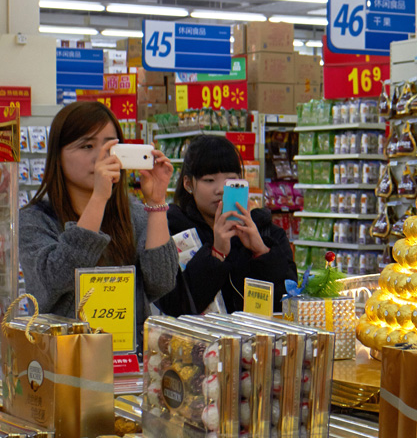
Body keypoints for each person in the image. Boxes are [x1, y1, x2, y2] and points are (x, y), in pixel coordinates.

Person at [19, 102, 178, 323]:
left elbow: (162, 282)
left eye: (109, 147)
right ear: (58, 154)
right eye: (87, 146)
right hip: (64, 351)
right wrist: (99, 198)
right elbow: (56, 278)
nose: (101, 157)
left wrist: (157, 201)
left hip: (128, 353)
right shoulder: (35, 219)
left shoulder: (133, 213)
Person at [156, 135, 296, 315]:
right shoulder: (173, 232)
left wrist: (262, 252)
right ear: (189, 184)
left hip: (258, 341)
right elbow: (174, 305)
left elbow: (289, 301)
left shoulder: (267, 232)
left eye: (230, 180)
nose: (220, 189)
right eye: (209, 180)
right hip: (199, 342)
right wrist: (216, 254)